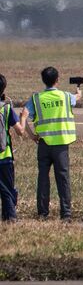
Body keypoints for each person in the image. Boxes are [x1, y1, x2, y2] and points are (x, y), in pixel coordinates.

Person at [27, 66, 79, 220]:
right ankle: (66, 214)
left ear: (43, 81)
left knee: (43, 178)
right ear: (57, 80)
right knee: (63, 178)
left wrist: (31, 135)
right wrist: (78, 93)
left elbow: (24, 114)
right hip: (61, 144)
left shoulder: (36, 98)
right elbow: (76, 99)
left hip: (43, 144)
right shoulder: (65, 96)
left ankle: (42, 213)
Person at [0, 74, 20, 222]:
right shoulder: (6, 109)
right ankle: (10, 218)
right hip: (4, 157)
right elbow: (19, 130)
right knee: (7, 190)